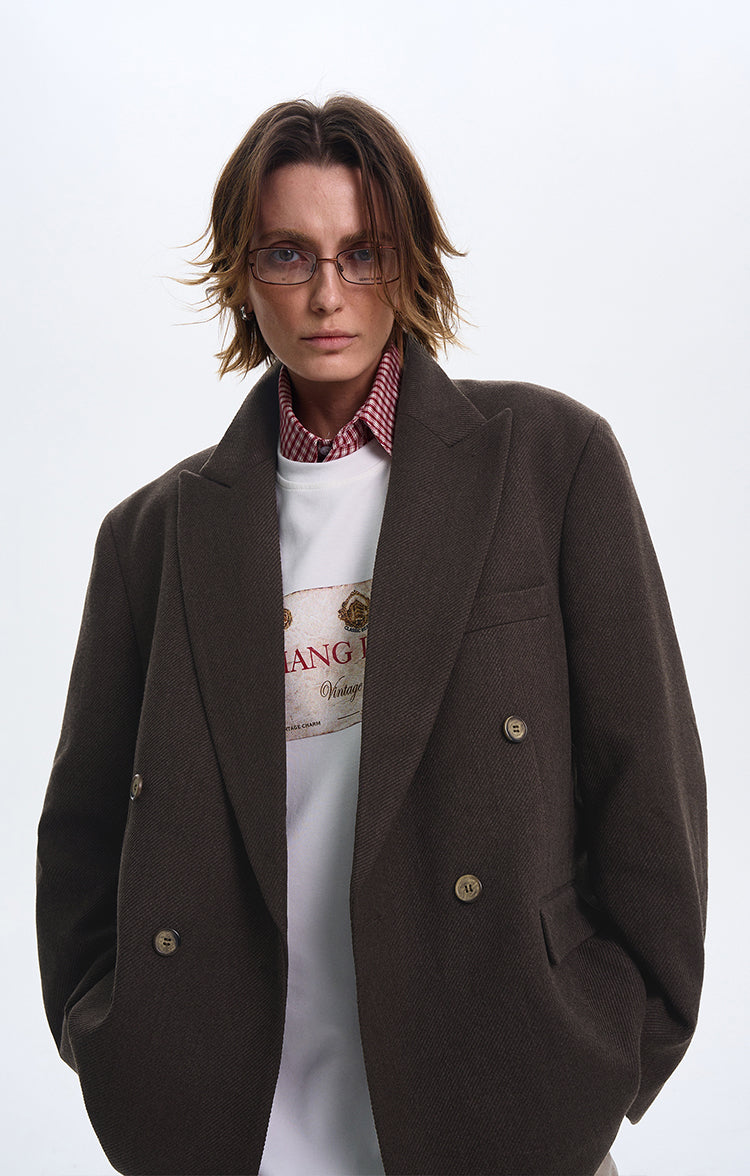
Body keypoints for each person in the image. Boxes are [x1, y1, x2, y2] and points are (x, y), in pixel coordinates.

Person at [36, 96, 707, 1176]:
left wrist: (613, 1044)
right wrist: (109, 1038)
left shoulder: (549, 462)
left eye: (365, 253)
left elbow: (648, 781)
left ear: (409, 261)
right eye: (288, 254)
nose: (328, 293)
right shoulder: (149, 539)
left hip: (504, 1101)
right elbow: (80, 837)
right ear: (242, 275)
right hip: (232, 1127)